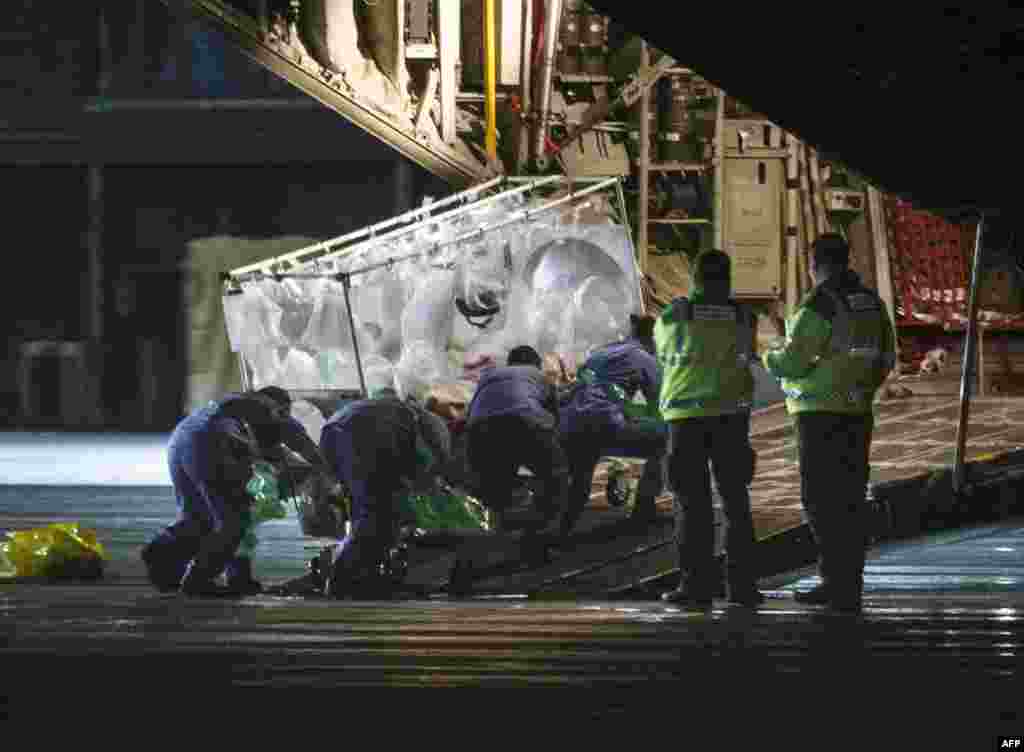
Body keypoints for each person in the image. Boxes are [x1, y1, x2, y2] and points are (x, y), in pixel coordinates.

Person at [764, 233, 896, 614]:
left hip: (819, 415)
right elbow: (886, 356)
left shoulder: (820, 305)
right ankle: (847, 581)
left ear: (814, 264)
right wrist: (865, 388)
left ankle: (834, 580)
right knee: (852, 498)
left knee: (821, 500)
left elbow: (792, 361)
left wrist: (770, 355)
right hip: (858, 414)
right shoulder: (871, 302)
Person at [656, 250, 762, 608]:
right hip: (732, 419)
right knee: (736, 503)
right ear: (728, 278)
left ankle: (696, 588)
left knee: (692, 504)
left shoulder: (677, 314)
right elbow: (749, 356)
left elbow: (662, 348)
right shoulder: (744, 317)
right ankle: (743, 588)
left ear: (696, 278)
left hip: (686, 421)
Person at [140, 391, 288, 596]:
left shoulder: (229, 406)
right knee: (234, 520)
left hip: (181, 437)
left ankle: (162, 549)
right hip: (209, 441)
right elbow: (269, 450)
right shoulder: (265, 409)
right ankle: (198, 579)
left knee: (198, 517)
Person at [320, 387, 451, 599]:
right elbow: (431, 468)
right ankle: (346, 580)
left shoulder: (401, 413)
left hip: (332, 431)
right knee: (380, 514)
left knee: (365, 514)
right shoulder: (437, 426)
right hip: (366, 437)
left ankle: (356, 574)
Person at [559, 314, 666, 539]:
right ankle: (644, 509)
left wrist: (628, 412)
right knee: (667, 437)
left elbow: (591, 389)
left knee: (582, 475)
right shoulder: (644, 358)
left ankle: (561, 530)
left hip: (571, 422)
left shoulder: (600, 352)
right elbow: (661, 405)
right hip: (604, 424)